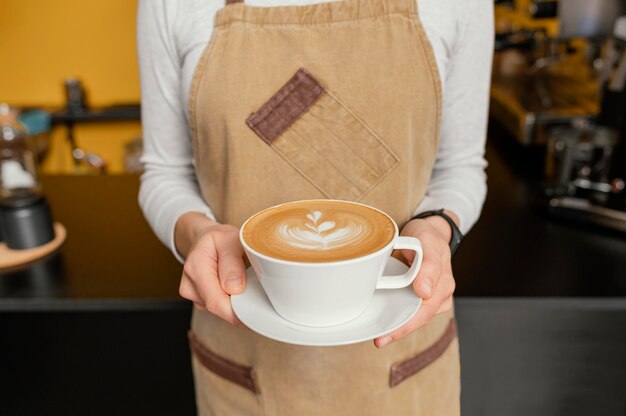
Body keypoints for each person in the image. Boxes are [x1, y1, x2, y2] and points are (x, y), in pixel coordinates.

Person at [137, 0, 493, 413]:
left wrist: (436, 227)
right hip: (242, 371)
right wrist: (195, 234)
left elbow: (461, 167)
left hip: (405, 369)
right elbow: (164, 172)